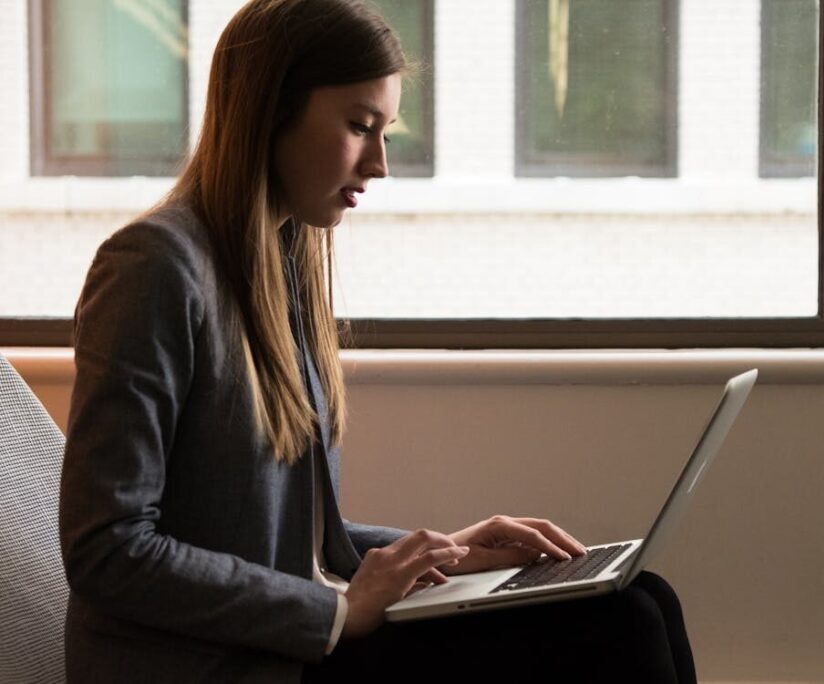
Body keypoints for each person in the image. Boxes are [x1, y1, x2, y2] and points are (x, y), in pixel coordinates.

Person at [58, 1, 699, 682]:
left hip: (287, 642)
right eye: (360, 126)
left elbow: (292, 546)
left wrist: (441, 555)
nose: (381, 164)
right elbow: (108, 548)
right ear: (268, 111)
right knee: (620, 626)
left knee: (642, 595)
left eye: (386, 130)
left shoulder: (283, 261)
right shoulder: (153, 267)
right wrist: (337, 613)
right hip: (215, 664)